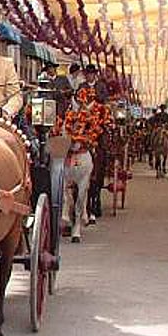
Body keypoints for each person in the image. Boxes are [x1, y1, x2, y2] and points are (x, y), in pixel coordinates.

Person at [60, 85, 105, 242]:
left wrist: (87, 139)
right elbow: (63, 130)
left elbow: (95, 130)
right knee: (55, 156)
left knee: (81, 192)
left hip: (84, 149)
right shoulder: (69, 115)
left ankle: (77, 223)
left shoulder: (93, 113)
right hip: (70, 149)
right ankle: (65, 210)